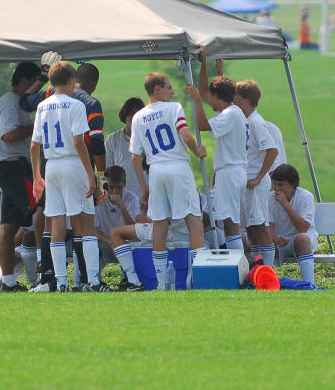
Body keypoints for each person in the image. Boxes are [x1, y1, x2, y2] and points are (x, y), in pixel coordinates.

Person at [22, 57, 106, 292]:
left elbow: (34, 144)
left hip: (51, 166)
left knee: (56, 223)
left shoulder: (42, 106)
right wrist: (91, 174)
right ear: (71, 80)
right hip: (73, 163)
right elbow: (79, 142)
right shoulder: (76, 105)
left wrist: (37, 176)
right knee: (86, 222)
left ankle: (60, 281)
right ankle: (93, 280)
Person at [130, 72, 207, 289]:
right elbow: (186, 135)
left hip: (156, 171)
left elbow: (135, 156)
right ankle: (196, 279)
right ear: (157, 89)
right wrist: (197, 151)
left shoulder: (138, 117)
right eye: (169, 87)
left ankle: (161, 282)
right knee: (194, 222)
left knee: (159, 225)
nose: (172, 92)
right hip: (178, 167)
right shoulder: (174, 108)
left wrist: (143, 187)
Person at [186, 46, 247, 251]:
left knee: (229, 224)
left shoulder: (230, 115)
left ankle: (238, 263)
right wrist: (205, 64)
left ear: (218, 96)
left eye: (211, 97)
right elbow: (206, 91)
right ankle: (224, 255)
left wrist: (196, 100)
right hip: (229, 172)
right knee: (216, 218)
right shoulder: (231, 111)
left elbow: (203, 126)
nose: (207, 98)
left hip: (230, 172)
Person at [0, 62, 41, 292]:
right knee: (39, 211)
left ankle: (8, 282)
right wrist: (35, 126)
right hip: (14, 167)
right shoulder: (11, 103)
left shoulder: (9, 101)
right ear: (24, 81)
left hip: (6, 167)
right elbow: (9, 134)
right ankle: (43, 272)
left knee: (9, 227)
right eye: (35, 83)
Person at [234, 79, 278, 266]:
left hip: (255, 183)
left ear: (245, 99)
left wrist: (259, 177)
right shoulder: (245, 120)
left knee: (260, 226)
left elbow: (272, 150)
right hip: (247, 181)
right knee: (251, 228)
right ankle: (257, 268)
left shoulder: (256, 122)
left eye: (236, 97)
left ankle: (269, 270)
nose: (234, 101)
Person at [269, 164, 318, 284]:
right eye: (274, 184)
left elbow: (303, 228)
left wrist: (286, 204)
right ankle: (266, 281)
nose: (276, 189)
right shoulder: (270, 198)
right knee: (263, 240)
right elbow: (268, 227)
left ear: (292, 186)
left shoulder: (306, 197)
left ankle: (309, 284)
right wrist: (276, 239)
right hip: (279, 240)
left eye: (280, 185)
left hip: (302, 239)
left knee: (302, 238)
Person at [94, 165, 140, 272]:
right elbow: (93, 229)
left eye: (119, 187)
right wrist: (112, 242)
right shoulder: (99, 200)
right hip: (105, 243)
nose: (115, 191)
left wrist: (122, 206)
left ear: (124, 184)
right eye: (111, 187)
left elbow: (133, 229)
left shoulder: (132, 198)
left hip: (126, 243)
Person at [104, 97, 146, 198]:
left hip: (147, 197)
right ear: (125, 116)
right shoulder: (112, 140)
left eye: (139, 114)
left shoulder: (149, 138)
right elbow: (107, 172)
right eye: (132, 114)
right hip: (122, 198)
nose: (135, 118)